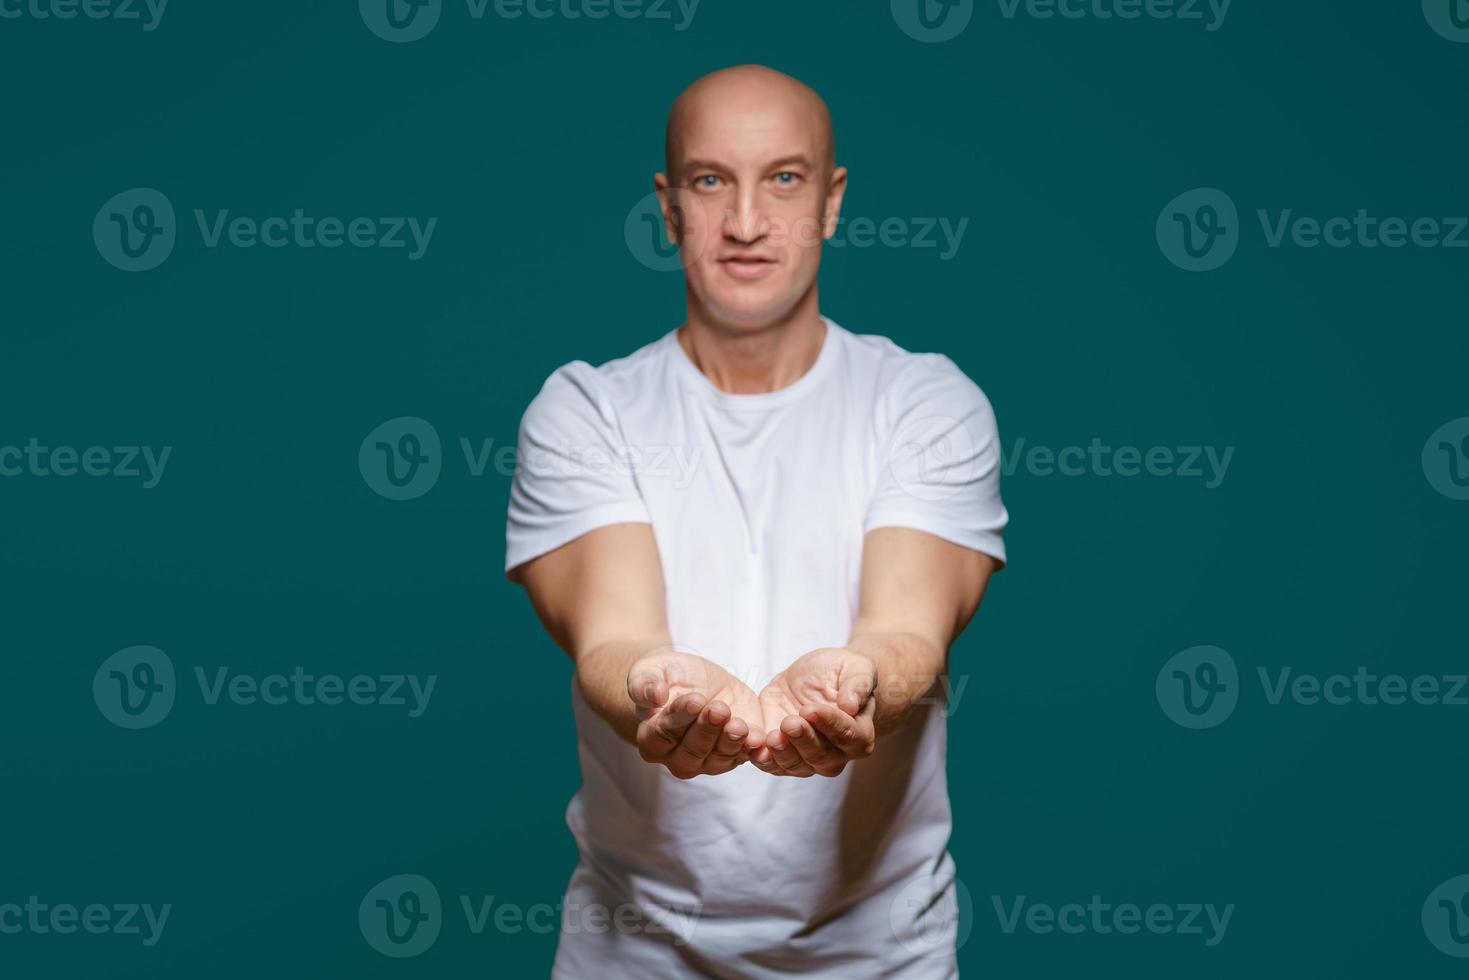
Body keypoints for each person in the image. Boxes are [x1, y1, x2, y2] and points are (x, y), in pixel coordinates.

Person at [505, 64, 1008, 978]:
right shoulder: (585, 411)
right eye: (710, 181)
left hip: (880, 959)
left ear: (831, 198)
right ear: (668, 206)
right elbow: (613, 636)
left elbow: (906, 628)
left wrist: (854, 681)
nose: (744, 222)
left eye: (782, 178)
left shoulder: (926, 404)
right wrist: (660, 684)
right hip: (633, 958)